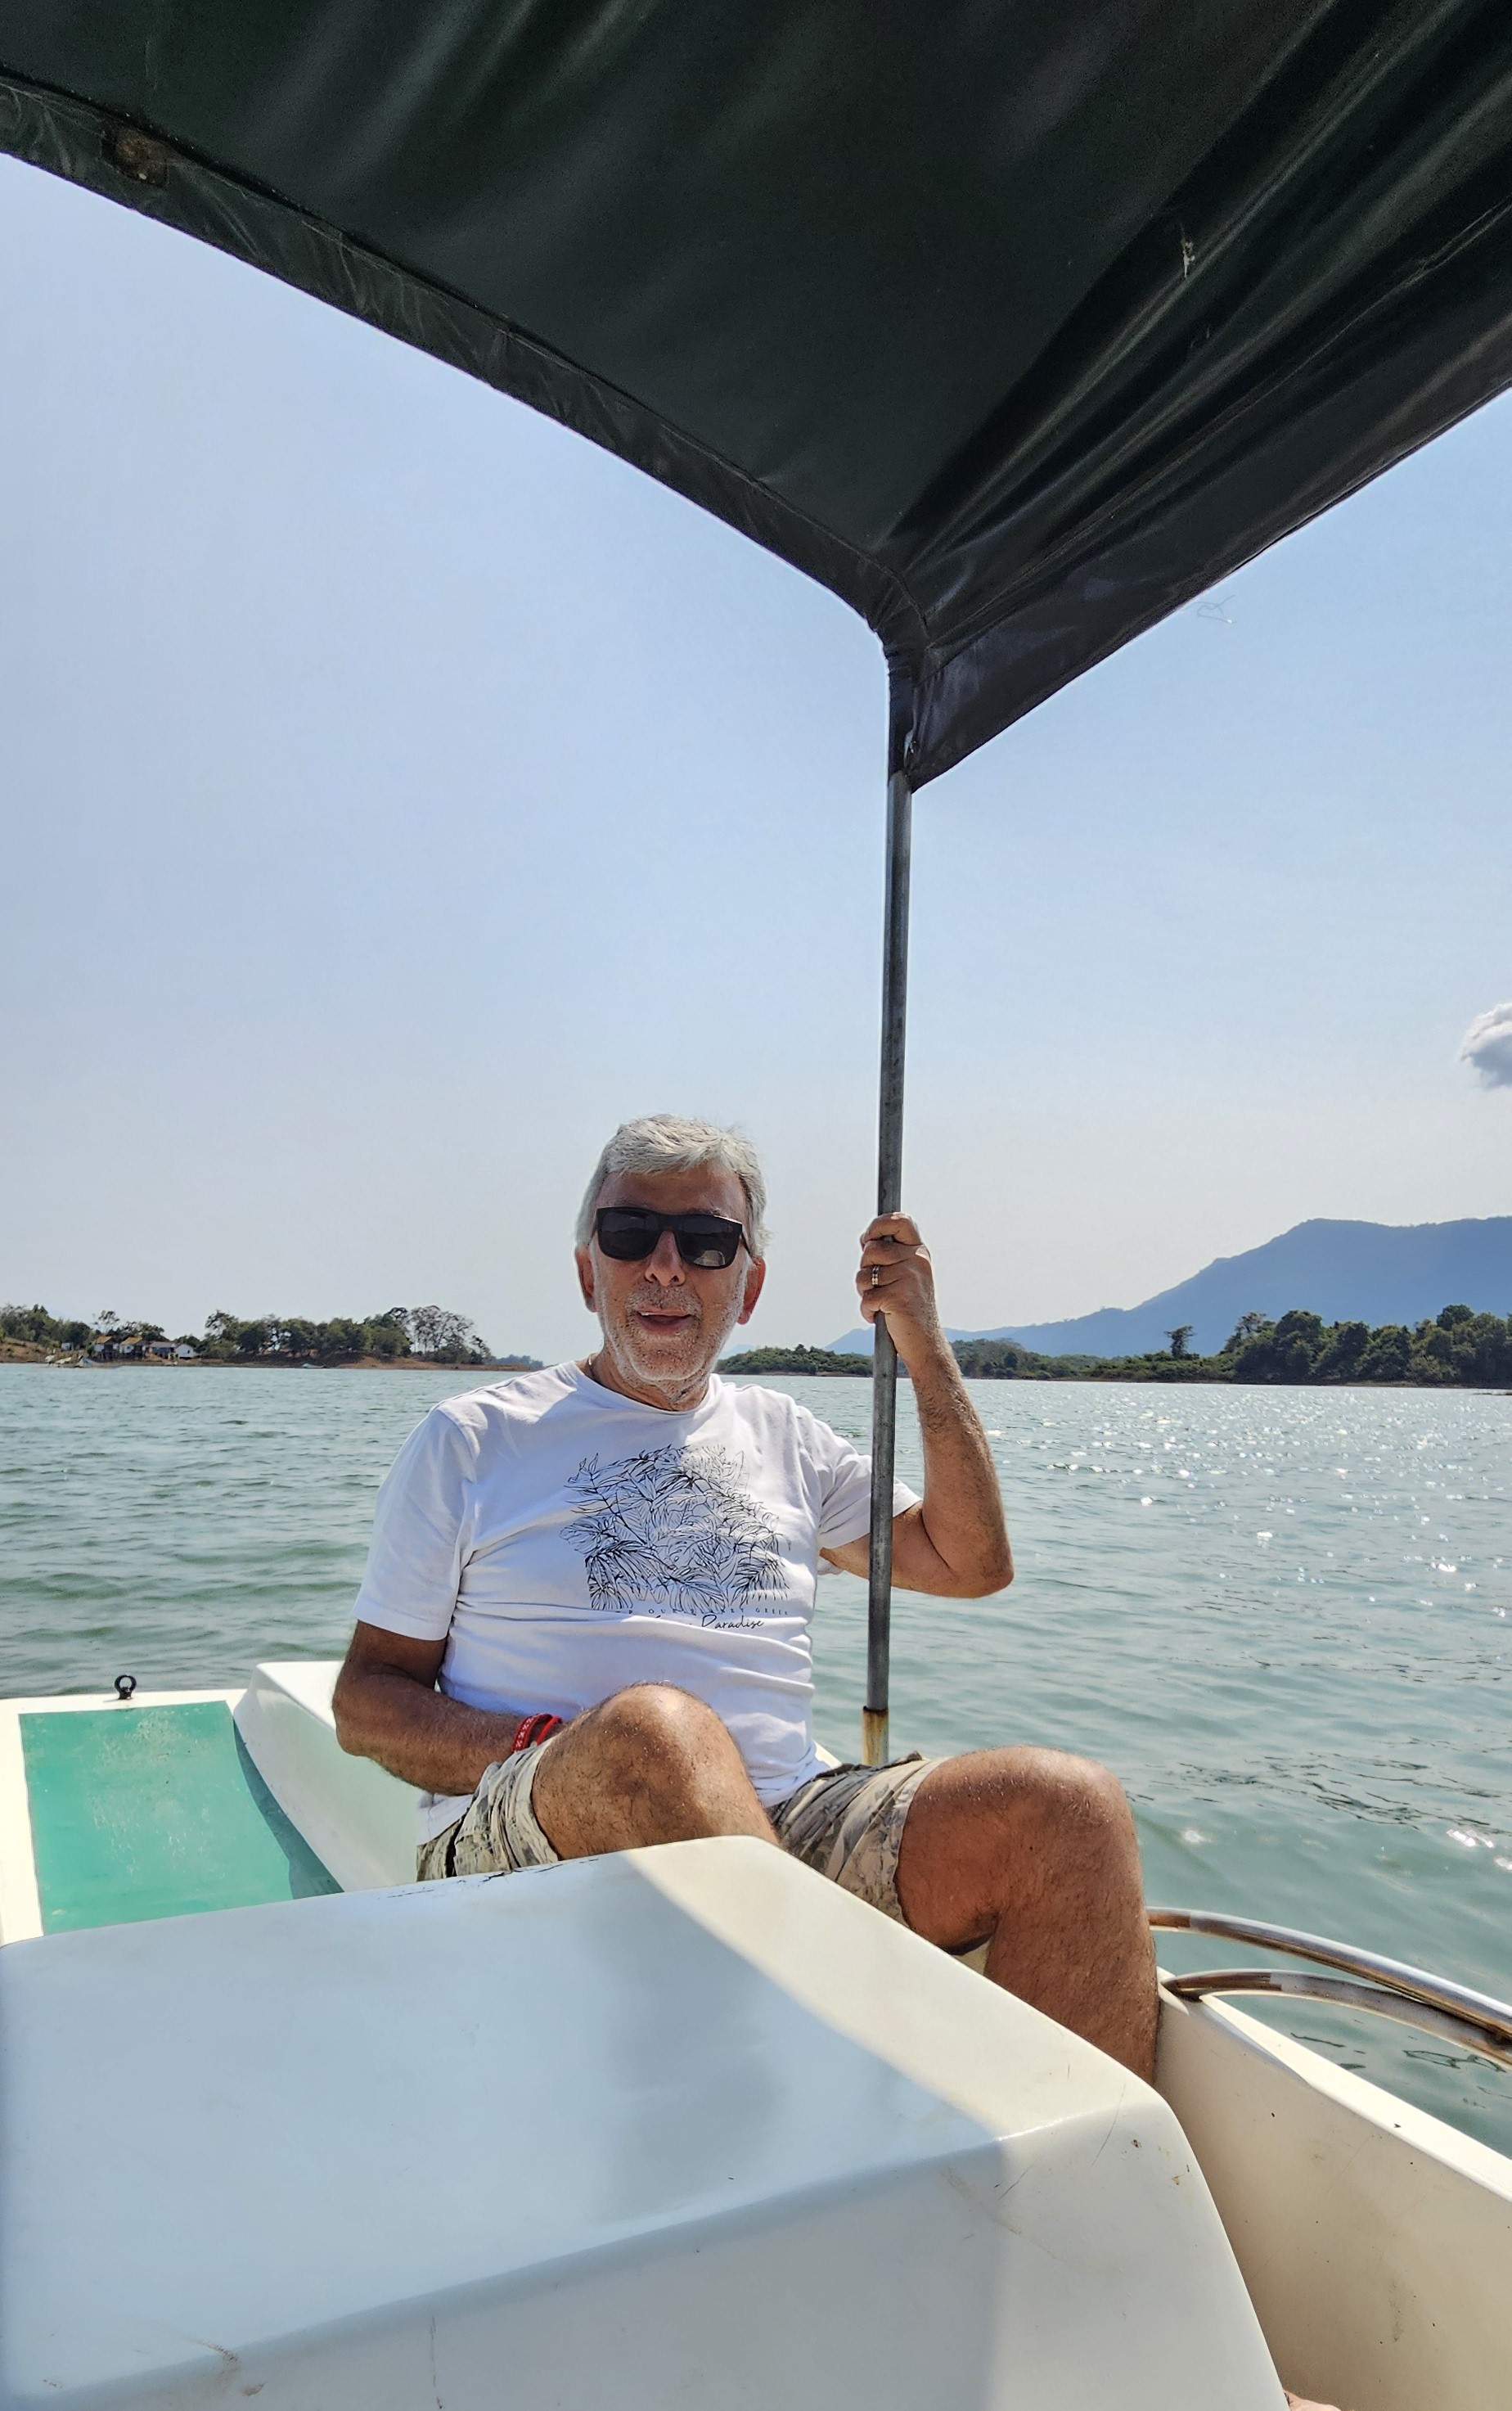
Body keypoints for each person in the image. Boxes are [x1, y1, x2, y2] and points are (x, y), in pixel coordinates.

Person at [335, 1113, 1158, 2077]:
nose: (665, 1266)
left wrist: (924, 1347)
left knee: (1066, 1807)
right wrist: (560, 1750)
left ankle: (1081, 2165)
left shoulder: (790, 1438)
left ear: (750, 1286)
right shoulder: (472, 1439)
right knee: (656, 1735)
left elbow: (970, 1562)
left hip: (784, 1825)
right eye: (630, 1234)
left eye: (707, 1242)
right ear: (588, 1270)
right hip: (537, 1829)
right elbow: (367, 1702)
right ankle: (832, 2072)